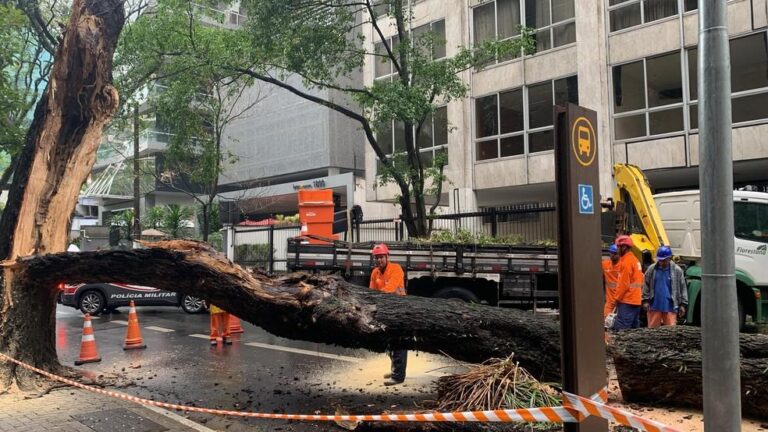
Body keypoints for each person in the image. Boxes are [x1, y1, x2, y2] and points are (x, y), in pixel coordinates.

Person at [369, 243, 407, 386]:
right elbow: (371, 292)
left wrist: (376, 297)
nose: (379, 260)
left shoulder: (396, 269)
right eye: (377, 258)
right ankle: (395, 370)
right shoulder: (375, 273)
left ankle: (398, 376)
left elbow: (390, 289)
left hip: (399, 309)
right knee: (388, 342)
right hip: (386, 310)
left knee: (399, 341)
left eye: (381, 257)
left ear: (387, 257)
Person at [642, 246, 688, 328]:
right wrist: (645, 300)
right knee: (652, 332)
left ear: (669, 258)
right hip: (654, 306)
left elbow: (683, 288)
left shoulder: (677, 271)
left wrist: (683, 305)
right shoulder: (651, 269)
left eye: (664, 260)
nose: (661, 262)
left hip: (670, 307)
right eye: (660, 260)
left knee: (670, 332)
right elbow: (646, 285)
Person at [612, 235, 643, 330]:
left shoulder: (626, 262)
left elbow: (623, 284)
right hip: (636, 301)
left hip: (627, 301)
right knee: (634, 331)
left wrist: (616, 299)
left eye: (618, 247)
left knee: (621, 330)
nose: (617, 250)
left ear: (624, 247)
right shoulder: (635, 260)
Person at [602, 244, 621, 323]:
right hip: (609, 301)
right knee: (606, 322)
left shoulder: (623, 265)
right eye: (611, 253)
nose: (612, 255)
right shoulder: (605, 264)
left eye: (615, 253)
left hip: (621, 301)